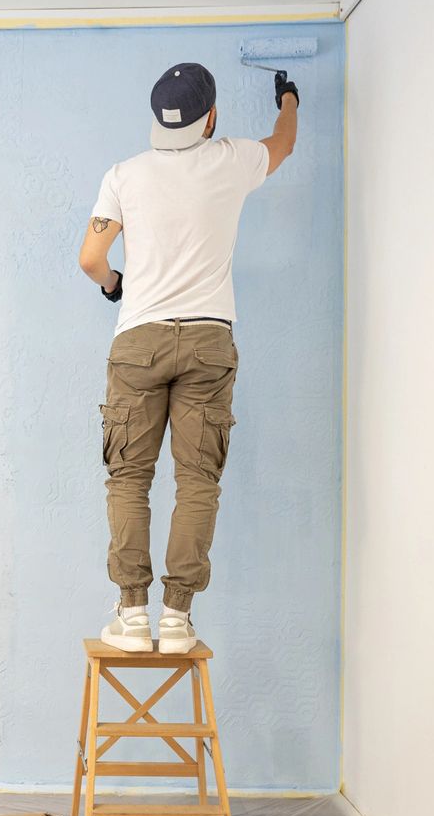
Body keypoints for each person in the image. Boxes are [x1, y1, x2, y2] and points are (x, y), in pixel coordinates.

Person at [78, 61, 299, 654]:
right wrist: (288, 99)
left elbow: (91, 258)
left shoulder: (123, 176)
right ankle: (177, 618)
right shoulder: (233, 158)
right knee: (197, 479)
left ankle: (133, 614)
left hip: (139, 341)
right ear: (212, 117)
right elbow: (285, 144)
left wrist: (113, 284)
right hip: (208, 340)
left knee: (129, 475)